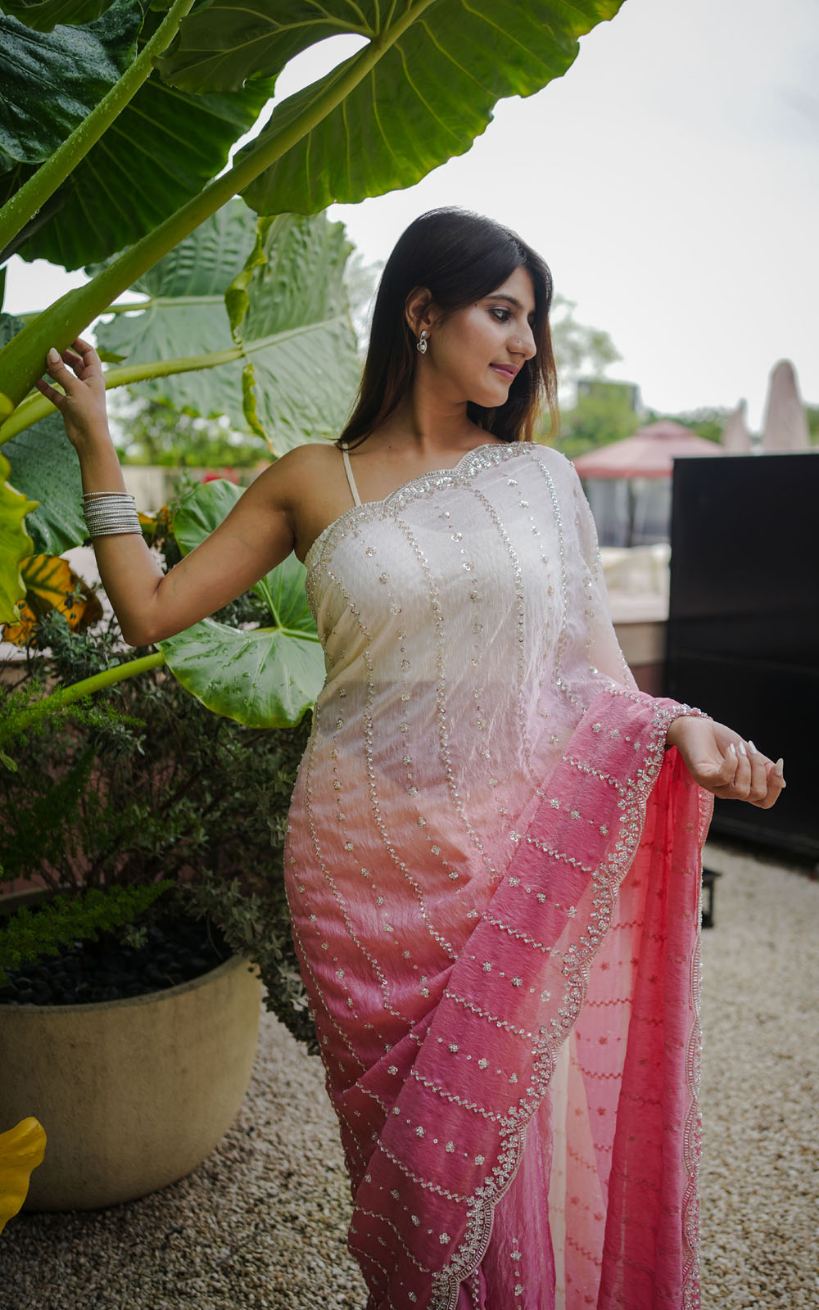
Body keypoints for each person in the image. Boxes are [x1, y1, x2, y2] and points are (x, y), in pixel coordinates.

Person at [37, 206, 785, 1310]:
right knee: (415, 1167)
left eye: (533, 320)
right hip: (361, 867)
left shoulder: (542, 480)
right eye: (502, 311)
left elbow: (594, 676)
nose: (526, 342)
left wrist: (679, 727)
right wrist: (99, 441)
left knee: (511, 1132)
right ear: (421, 312)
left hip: (512, 852)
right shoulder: (310, 480)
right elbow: (147, 612)